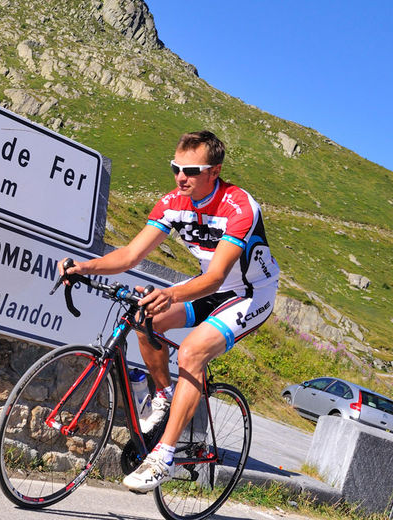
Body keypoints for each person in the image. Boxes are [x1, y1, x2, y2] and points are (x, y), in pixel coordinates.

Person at [61, 130, 279, 493]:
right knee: (146, 318)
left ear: (214, 171)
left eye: (191, 170)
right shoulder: (173, 202)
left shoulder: (238, 206)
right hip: (211, 286)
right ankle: (163, 396)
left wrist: (171, 293)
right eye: (175, 167)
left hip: (251, 294)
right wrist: (84, 267)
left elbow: (216, 277)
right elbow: (131, 255)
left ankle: (164, 456)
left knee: (192, 352)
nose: (181, 177)